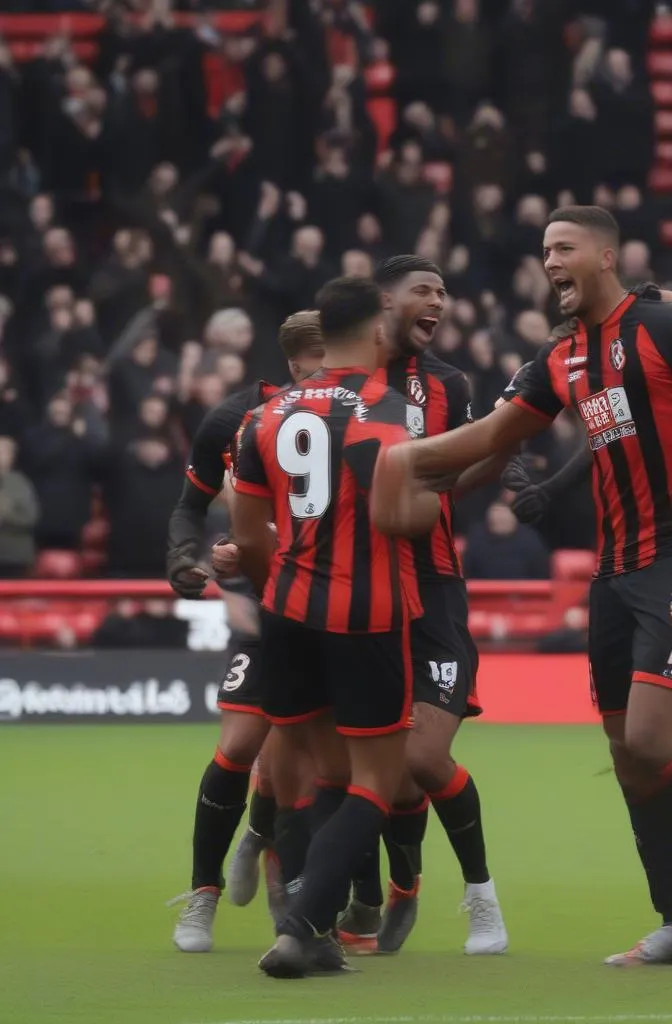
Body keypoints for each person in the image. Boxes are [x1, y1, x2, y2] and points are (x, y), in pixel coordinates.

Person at [373, 206, 672, 966]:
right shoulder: (563, 358)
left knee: (649, 738)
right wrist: (405, 463)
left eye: (563, 248)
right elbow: (491, 438)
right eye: (544, 248)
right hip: (612, 571)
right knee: (627, 751)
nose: (549, 261)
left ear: (605, 257)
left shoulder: (667, 332)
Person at [231, 276, 439, 979]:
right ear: (379, 328)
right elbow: (399, 510)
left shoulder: (268, 413)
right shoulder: (392, 408)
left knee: (322, 776)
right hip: (367, 614)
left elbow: (248, 531)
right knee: (374, 785)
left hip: (287, 612)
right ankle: (299, 929)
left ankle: (311, 928)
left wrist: (280, 590)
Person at [334, 254, 508, 957]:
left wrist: (500, 449)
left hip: (432, 590)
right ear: (385, 300)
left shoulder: (448, 385)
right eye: (423, 290)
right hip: (362, 587)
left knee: (423, 757)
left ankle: (482, 898)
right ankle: (389, 889)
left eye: (443, 290)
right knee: (368, 768)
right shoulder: (346, 385)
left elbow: (461, 471)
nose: (437, 301)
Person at [165, 311, 324, 953]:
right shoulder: (234, 421)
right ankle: (201, 896)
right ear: (293, 363)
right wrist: (189, 557)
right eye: (320, 360)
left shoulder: (364, 412)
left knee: (308, 764)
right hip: (270, 615)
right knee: (238, 747)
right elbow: (189, 505)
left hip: (340, 612)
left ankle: (275, 854)